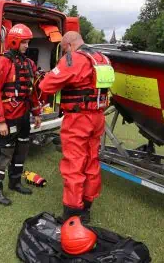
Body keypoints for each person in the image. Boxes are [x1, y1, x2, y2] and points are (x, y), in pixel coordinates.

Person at [39, 31, 113, 223]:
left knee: (74, 164)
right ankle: (86, 208)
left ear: (69, 45)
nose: (64, 53)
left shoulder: (73, 58)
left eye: (64, 49)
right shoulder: (102, 58)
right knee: (92, 161)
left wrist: (51, 73)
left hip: (78, 119)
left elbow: (46, 86)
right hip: (97, 117)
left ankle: (72, 214)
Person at [0, 23, 42, 206]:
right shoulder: (1, 63)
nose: (27, 46)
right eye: (24, 42)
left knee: (22, 150)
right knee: (5, 152)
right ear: (14, 41)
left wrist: (37, 112)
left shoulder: (29, 63)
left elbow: (32, 90)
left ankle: (15, 182)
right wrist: (0, 121)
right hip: (8, 117)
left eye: (28, 42)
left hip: (24, 116)